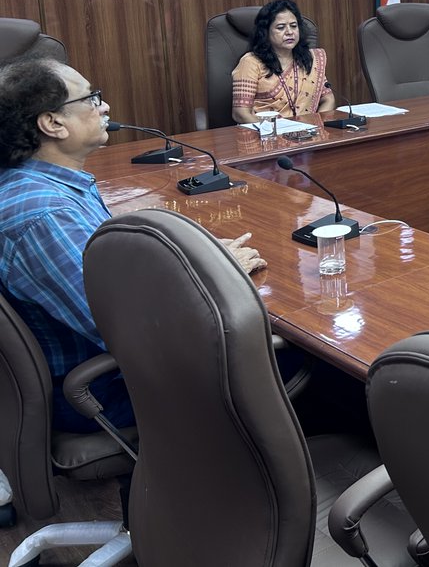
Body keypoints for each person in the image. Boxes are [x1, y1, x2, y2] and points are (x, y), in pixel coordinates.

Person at [0, 58, 266, 432]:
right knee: (298, 359)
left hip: (112, 371)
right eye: (91, 98)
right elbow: (127, 327)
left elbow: (113, 279)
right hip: (106, 391)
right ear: (53, 123)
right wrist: (214, 272)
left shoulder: (45, 184)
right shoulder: (45, 214)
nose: (104, 106)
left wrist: (190, 257)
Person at [231, 0, 336, 124]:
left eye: (294, 26)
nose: (289, 32)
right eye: (281, 28)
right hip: (266, 132)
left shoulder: (310, 59)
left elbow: (328, 99)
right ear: (266, 32)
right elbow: (240, 113)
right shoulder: (251, 62)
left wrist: (315, 125)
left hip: (307, 131)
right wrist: (272, 132)